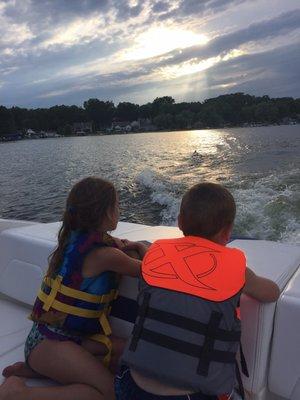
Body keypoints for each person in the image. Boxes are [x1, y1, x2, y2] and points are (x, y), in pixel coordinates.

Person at [115, 183, 280, 400]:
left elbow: (167, 266)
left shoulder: (155, 254)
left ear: (180, 222)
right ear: (228, 231)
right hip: (191, 395)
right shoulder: (237, 269)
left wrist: (141, 248)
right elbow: (272, 292)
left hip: (130, 384)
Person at [0, 176, 148, 400]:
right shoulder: (106, 255)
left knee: (130, 352)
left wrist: (124, 246)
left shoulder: (73, 239)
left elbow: (111, 246)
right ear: (107, 212)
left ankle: (37, 369)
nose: (120, 209)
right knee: (112, 394)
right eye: (117, 205)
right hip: (51, 343)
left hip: (59, 337)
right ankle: (19, 393)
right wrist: (140, 247)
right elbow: (151, 270)